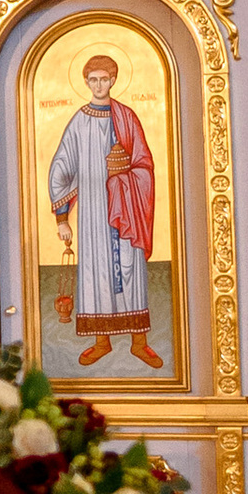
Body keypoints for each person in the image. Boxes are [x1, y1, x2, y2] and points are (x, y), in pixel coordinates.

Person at [48, 51, 161, 370]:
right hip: (95, 214)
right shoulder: (80, 121)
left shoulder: (127, 117)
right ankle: (102, 342)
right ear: (86, 82)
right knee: (96, 271)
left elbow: (145, 163)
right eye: (93, 79)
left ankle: (140, 343)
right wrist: (62, 218)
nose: (98, 84)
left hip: (127, 209)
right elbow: (62, 166)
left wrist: (126, 177)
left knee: (130, 269)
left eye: (104, 79)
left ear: (113, 80)